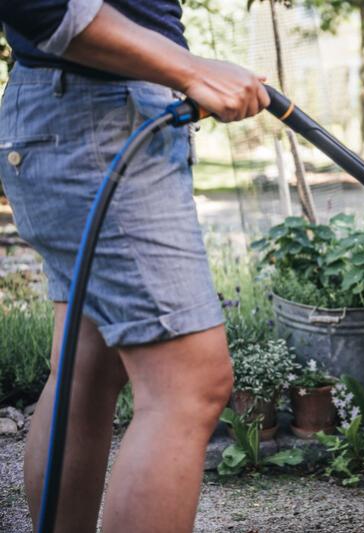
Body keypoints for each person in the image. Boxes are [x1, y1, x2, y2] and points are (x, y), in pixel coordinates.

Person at [0, 2, 269, 531]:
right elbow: (42, 5)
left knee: (87, 367)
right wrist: (193, 69)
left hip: (79, 112)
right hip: (97, 115)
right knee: (188, 385)